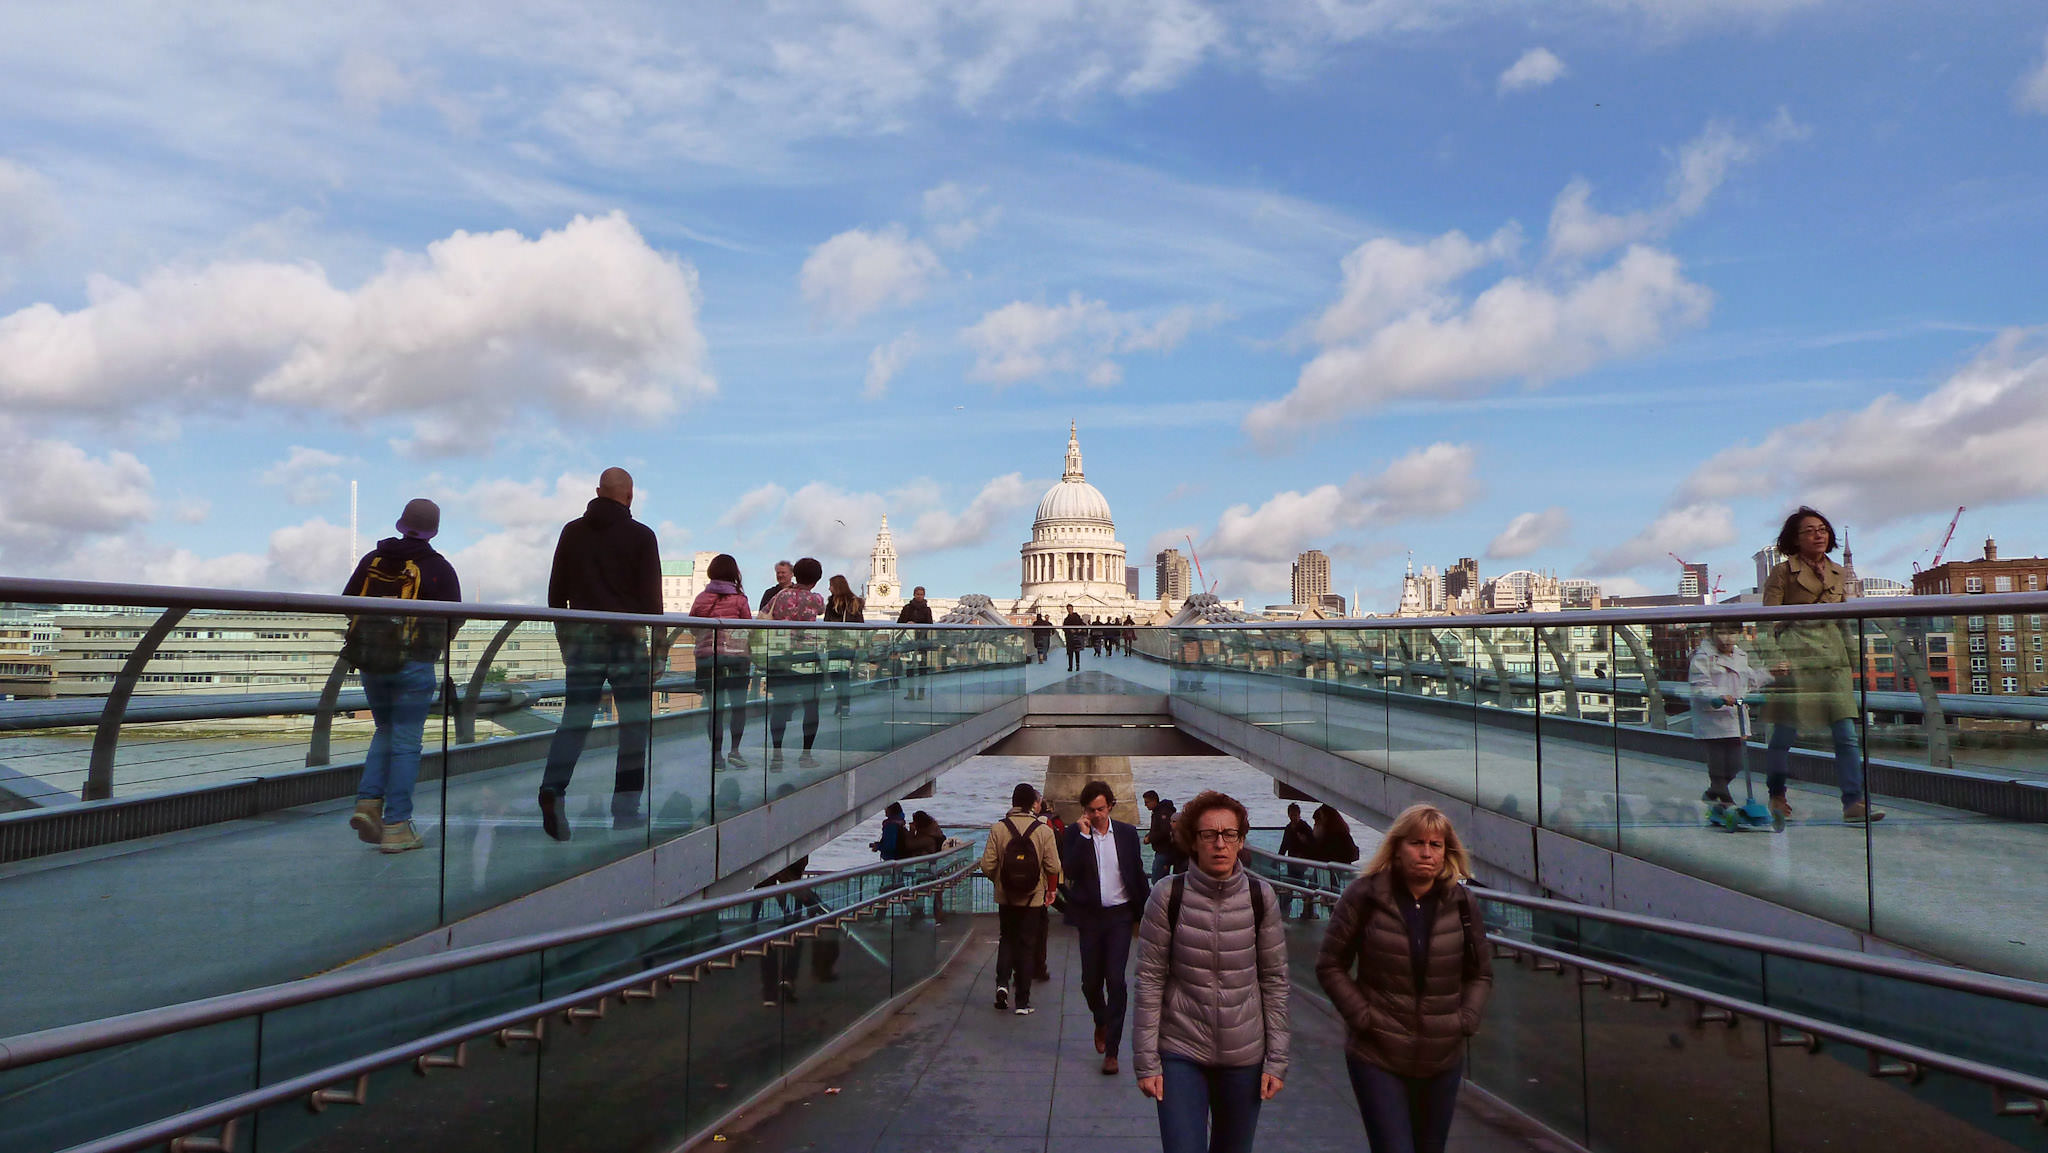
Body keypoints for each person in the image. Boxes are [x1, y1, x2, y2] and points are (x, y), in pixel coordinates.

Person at [1316, 804, 1493, 1153]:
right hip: (1378, 1054)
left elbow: (1480, 973)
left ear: (1446, 852)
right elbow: (1330, 965)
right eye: (1416, 843)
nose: (1426, 853)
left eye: (1436, 845)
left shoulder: (1461, 902)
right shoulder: (1364, 896)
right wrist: (1363, 1017)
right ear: (1397, 846)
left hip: (1442, 1056)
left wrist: (1465, 1020)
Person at [1133, 790, 1288, 1153]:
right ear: (1193, 842)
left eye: (1229, 834)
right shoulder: (1166, 895)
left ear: (1240, 841)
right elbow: (1150, 979)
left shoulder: (1259, 896)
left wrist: (1277, 1058)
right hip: (1180, 1051)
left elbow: (1275, 980)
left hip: (1244, 1055)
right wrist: (1146, 1060)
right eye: (1209, 835)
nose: (1220, 843)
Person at [538, 467, 663, 841]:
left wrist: (566, 642)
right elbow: (652, 603)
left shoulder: (571, 532)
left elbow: (556, 595)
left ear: (597, 492)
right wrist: (657, 653)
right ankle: (625, 810)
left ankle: (553, 789)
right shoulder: (642, 536)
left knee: (574, 722)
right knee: (634, 728)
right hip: (627, 643)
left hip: (583, 642)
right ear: (630, 496)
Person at [343, 498, 460, 854]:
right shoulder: (439, 568)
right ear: (434, 531)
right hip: (414, 663)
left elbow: (348, 603)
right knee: (407, 741)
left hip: (372, 662)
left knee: (385, 729)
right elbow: (454, 619)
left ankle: (368, 804)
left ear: (400, 524)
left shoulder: (372, 561)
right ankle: (396, 825)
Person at [1760, 506, 1885, 823]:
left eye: (1822, 529)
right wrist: (1775, 659)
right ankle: (1776, 795)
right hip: (1796, 659)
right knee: (1784, 734)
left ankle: (1853, 802)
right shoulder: (1782, 572)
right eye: (1810, 530)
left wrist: (1851, 657)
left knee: (1845, 734)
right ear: (1794, 538)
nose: (1818, 534)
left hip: (1832, 660)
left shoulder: (1838, 573)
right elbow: (1765, 622)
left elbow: (1842, 619)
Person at [1059, 780, 1151, 1075]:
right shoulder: (1074, 834)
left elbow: (1136, 872)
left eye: (1100, 808)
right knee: (1090, 982)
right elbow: (1069, 871)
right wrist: (1085, 838)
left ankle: (1112, 1050)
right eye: (1090, 810)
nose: (1096, 814)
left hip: (1120, 916)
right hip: (1090, 917)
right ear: (1083, 810)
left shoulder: (1126, 833)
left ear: (1110, 806)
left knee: (1116, 980)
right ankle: (1101, 1019)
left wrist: (1149, 911)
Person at [980, 782, 1061, 1015]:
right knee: (1026, 945)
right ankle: (1023, 1002)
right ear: (1032, 804)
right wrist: (1048, 889)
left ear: (1013, 802)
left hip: (1006, 897)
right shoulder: (1043, 830)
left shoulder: (999, 828)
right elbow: (1054, 865)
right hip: (1032, 899)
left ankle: (1002, 985)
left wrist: (1001, 881)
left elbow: (987, 865)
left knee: (1007, 939)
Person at [1688, 623, 1773, 807]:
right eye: (1722, 633)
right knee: (1718, 762)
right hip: (1713, 716)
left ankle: (1713, 793)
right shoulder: (1702, 657)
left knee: (1736, 762)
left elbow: (1750, 681)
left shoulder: (1740, 655)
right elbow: (1699, 686)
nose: (1727, 638)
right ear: (1712, 634)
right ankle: (1725, 799)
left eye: (1732, 633)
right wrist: (1717, 696)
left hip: (1736, 716)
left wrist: (1771, 672)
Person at [690, 554, 752, 772]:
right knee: (738, 708)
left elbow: (692, 627)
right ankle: (735, 751)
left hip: (708, 659)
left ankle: (716, 757)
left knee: (714, 710)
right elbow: (748, 628)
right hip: (736, 658)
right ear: (733, 573)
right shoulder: (740, 599)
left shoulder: (700, 598)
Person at [765, 557, 827, 771]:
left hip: (781, 656)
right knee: (811, 708)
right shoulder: (817, 599)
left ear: (795, 574)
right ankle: (805, 755)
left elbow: (764, 613)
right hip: (808, 657)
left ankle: (777, 755)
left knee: (779, 707)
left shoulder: (781, 596)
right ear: (817, 579)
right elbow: (821, 611)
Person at [824, 574, 864, 718]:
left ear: (838, 586)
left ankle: (844, 705)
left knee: (841, 677)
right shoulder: (834, 603)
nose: (829, 588)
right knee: (838, 676)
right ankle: (841, 703)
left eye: (831, 585)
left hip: (843, 645)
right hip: (841, 645)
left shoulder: (849, 603)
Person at [1277, 802, 1316, 919]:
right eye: (1291, 814)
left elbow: (1313, 845)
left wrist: (1304, 843)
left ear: (1299, 814)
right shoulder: (1288, 828)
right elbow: (1284, 845)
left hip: (1302, 862)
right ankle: (1285, 911)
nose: (1293, 817)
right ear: (1288, 815)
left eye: (1295, 814)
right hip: (1291, 861)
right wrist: (1278, 858)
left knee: (1296, 883)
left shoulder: (1305, 827)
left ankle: (1303, 908)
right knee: (1292, 884)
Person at [898, 585, 934, 700]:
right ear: (914, 595)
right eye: (918, 594)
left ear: (924, 596)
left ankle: (921, 693)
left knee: (922, 668)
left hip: (922, 642)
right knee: (909, 669)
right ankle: (911, 692)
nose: (919, 596)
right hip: (909, 641)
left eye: (921, 594)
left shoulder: (927, 610)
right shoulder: (907, 608)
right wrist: (908, 623)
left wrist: (918, 627)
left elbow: (930, 625)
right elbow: (899, 623)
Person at [1143, 790, 1185, 880]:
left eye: (1147, 802)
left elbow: (1165, 831)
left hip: (1164, 851)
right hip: (1167, 850)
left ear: (1154, 800)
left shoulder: (1162, 813)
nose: (1145, 805)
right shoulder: (1159, 812)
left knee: (1157, 879)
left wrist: (1150, 838)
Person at [1063, 604, 1087, 672]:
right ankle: (1070, 666)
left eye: (1070, 608)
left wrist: (1080, 628)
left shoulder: (1077, 617)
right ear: (1067, 610)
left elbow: (1082, 624)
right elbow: (1064, 628)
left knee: (1077, 652)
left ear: (1072, 609)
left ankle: (1077, 666)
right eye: (1068, 609)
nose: (1069, 610)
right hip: (1070, 637)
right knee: (1070, 653)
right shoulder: (1066, 619)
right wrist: (1070, 630)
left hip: (1077, 636)